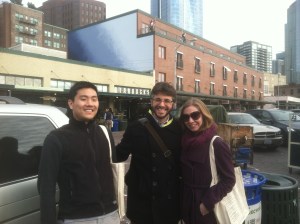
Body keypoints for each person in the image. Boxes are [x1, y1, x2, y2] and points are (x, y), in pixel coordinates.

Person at [37, 81, 119, 224]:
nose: (90, 103)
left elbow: (112, 171)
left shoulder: (104, 133)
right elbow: (46, 187)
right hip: (76, 218)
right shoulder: (56, 138)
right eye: (83, 99)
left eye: (94, 99)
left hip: (110, 215)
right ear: (71, 103)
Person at [113, 82, 182, 224]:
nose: (162, 105)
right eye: (158, 100)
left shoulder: (180, 128)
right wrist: (103, 139)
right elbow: (118, 155)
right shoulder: (136, 127)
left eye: (167, 101)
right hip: (141, 203)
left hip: (169, 204)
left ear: (173, 104)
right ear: (151, 101)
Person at [179, 98, 235, 224]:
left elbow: (229, 179)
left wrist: (207, 203)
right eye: (186, 117)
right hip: (187, 205)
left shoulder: (217, 143)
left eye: (195, 115)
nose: (190, 121)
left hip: (207, 208)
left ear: (204, 116)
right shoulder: (184, 140)